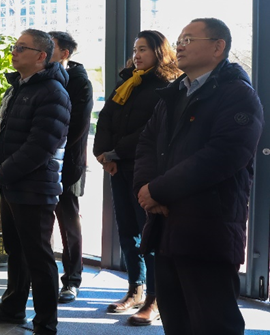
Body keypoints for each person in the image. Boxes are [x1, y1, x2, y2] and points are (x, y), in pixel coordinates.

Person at [134, 19, 263, 334]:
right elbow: (147, 144)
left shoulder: (237, 94)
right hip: (166, 226)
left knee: (213, 322)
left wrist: (159, 190)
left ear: (218, 47)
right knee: (176, 320)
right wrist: (145, 188)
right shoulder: (174, 93)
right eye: (179, 39)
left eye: (189, 39)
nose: (179, 46)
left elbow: (224, 155)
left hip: (208, 228)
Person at [0, 29, 70, 335]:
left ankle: (45, 323)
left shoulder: (53, 92)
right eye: (15, 46)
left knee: (38, 257)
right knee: (16, 251)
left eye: (21, 48)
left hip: (35, 188)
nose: (13, 52)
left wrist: (2, 172)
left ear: (41, 56)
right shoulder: (16, 87)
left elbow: (40, 147)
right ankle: (13, 308)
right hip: (11, 184)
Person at [93, 30, 179, 325]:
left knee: (150, 233)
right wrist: (104, 154)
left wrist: (116, 152)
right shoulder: (128, 82)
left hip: (147, 169)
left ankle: (155, 297)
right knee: (127, 230)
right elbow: (105, 119)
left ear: (159, 52)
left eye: (143, 49)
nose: (137, 55)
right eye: (135, 49)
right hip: (118, 167)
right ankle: (135, 289)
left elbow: (151, 130)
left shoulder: (168, 84)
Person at [47, 31, 93, 304]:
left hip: (69, 164)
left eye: (50, 46)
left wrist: (50, 148)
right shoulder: (43, 77)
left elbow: (77, 127)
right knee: (43, 223)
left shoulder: (80, 82)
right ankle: (44, 278)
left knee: (68, 223)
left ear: (64, 53)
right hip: (42, 163)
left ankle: (72, 280)